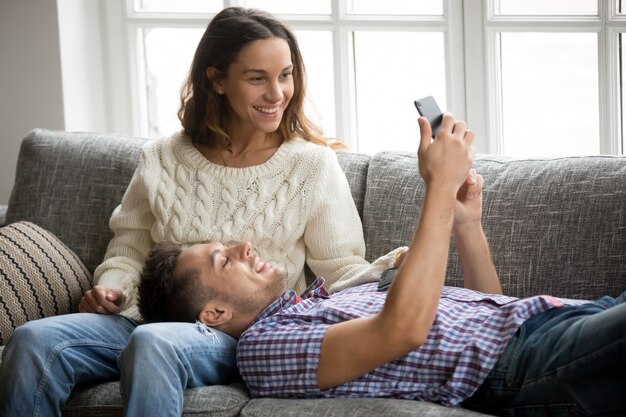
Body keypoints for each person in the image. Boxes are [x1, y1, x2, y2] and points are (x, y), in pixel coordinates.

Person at [0, 7, 397, 417]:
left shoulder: (311, 166)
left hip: (235, 333)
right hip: (138, 320)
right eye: (257, 77)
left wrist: (395, 271)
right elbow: (128, 250)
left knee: (154, 344)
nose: (277, 93)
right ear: (217, 80)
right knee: (31, 340)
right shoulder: (162, 157)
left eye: (286, 75)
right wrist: (113, 289)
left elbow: (341, 267)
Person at [138, 114, 626, 417]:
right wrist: (436, 187)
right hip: (528, 364)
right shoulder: (264, 351)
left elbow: (492, 304)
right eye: (224, 259)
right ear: (214, 314)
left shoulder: (324, 298)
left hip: (550, 320)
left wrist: (465, 223)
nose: (244, 246)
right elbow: (403, 331)